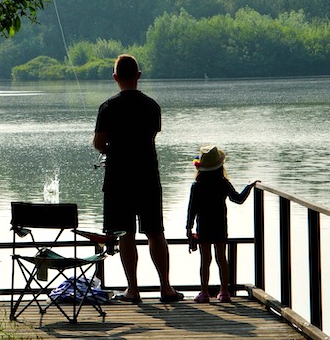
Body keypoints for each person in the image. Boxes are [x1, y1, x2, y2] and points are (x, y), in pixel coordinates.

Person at [93, 54, 183, 303]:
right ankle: (166, 288)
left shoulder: (108, 107)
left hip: (118, 179)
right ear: (138, 76)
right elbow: (150, 137)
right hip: (147, 176)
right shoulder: (152, 106)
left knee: (126, 234)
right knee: (156, 232)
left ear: (115, 77)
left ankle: (132, 290)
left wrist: (110, 147)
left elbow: (99, 143)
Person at [186, 145, 259, 303]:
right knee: (221, 258)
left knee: (205, 260)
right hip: (220, 225)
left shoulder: (196, 186)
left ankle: (204, 293)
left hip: (203, 226)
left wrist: (188, 228)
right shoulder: (223, 183)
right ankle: (224, 292)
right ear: (220, 166)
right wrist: (249, 186)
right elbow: (238, 199)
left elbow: (192, 209)